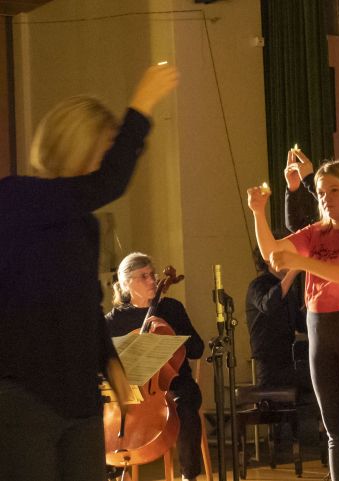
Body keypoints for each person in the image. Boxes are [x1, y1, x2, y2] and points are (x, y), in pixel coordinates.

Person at [0, 64, 177, 481]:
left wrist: (113, 368)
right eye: (105, 149)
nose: (108, 163)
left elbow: (85, 307)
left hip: (79, 401)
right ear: (78, 146)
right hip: (23, 397)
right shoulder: (15, 197)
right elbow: (110, 182)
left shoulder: (85, 224)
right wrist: (142, 105)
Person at [249, 160, 339, 481]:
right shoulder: (315, 232)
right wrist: (258, 212)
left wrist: (303, 262)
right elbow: (271, 252)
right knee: (333, 429)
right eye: (321, 192)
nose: (326, 197)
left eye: (335, 190)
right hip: (319, 328)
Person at [106, 252, 205, 481]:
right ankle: (115, 472)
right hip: (134, 391)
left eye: (152, 274)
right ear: (126, 283)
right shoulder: (114, 320)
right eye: (144, 276)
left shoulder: (172, 308)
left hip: (175, 384)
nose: (152, 280)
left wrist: (171, 330)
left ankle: (188, 476)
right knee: (103, 412)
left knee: (184, 408)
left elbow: (197, 349)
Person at [246, 247, 305, 459]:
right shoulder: (257, 285)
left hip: (289, 358)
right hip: (268, 361)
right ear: (269, 260)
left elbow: (301, 324)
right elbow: (269, 304)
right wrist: (293, 272)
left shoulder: (289, 290)